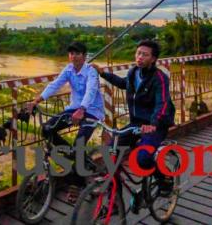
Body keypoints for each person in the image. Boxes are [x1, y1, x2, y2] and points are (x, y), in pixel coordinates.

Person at [99, 39, 176, 195]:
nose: (140, 57)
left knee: (142, 159)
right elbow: (123, 83)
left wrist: (154, 123)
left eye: (145, 55)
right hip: (136, 123)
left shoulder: (159, 77)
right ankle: (115, 199)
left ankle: (164, 177)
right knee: (110, 151)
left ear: (153, 59)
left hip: (155, 125)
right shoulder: (133, 72)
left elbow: (162, 103)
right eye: (138, 53)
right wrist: (103, 73)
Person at [25, 41, 103, 153]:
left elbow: (91, 91)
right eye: (71, 53)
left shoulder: (91, 71)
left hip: (92, 111)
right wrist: (36, 101)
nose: (73, 56)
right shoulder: (68, 69)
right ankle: (71, 154)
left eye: (77, 53)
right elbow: (55, 85)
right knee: (47, 129)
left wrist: (82, 110)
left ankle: (79, 158)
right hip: (74, 109)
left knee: (79, 146)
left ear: (85, 56)